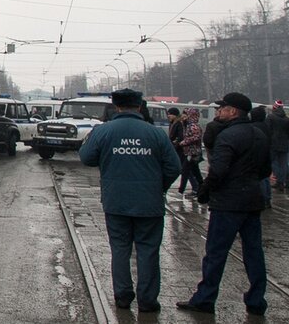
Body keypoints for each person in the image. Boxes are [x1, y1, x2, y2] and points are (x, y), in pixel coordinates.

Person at [80, 88, 181, 313]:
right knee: (148, 250)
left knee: (120, 248)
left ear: (116, 107)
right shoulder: (155, 133)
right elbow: (174, 167)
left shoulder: (103, 131)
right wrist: (159, 187)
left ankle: (123, 296)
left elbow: (86, 158)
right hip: (149, 203)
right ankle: (147, 300)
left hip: (116, 201)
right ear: (139, 106)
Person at [176, 92, 271, 317]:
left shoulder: (227, 136)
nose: (218, 112)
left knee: (216, 253)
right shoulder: (259, 134)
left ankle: (205, 299)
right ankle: (256, 301)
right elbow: (266, 170)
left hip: (227, 203)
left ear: (233, 111)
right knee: (254, 252)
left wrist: (204, 191)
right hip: (252, 201)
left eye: (222, 108)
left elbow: (218, 170)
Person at [250, 105, 273, 208]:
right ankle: (267, 197)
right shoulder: (266, 125)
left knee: (260, 178)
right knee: (266, 178)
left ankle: (263, 199)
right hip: (268, 152)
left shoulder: (253, 127)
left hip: (258, 154)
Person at [180, 109, 205, 197]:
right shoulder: (188, 125)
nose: (183, 117)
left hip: (192, 152)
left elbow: (196, 137)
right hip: (190, 152)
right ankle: (202, 188)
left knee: (185, 171)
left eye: (185, 115)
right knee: (195, 172)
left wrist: (184, 142)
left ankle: (181, 191)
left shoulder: (193, 126)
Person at [268, 100, 289, 192]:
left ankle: (278, 180)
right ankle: (282, 181)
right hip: (285, 144)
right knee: (284, 164)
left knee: (274, 162)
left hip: (273, 143)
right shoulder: (286, 119)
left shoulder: (271, 117)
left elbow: (268, 130)